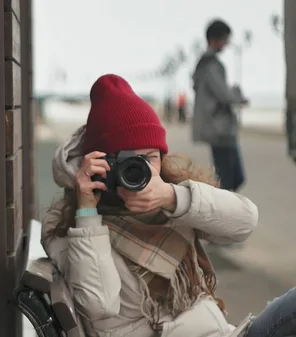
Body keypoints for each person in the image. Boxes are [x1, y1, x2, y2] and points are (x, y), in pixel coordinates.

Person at [41, 74, 296, 337]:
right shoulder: (74, 225)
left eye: (149, 157)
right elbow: (99, 305)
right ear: (101, 164)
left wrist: (174, 198)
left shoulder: (170, 199)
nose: (140, 170)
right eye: (128, 160)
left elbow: (245, 223)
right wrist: (87, 213)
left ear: (162, 157)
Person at [192, 19, 249, 191]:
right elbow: (224, 95)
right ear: (214, 39)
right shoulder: (212, 65)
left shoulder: (203, 64)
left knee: (228, 178)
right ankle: (224, 215)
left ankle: (225, 213)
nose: (226, 44)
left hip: (216, 129)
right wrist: (238, 96)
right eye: (225, 39)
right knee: (230, 180)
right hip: (220, 130)